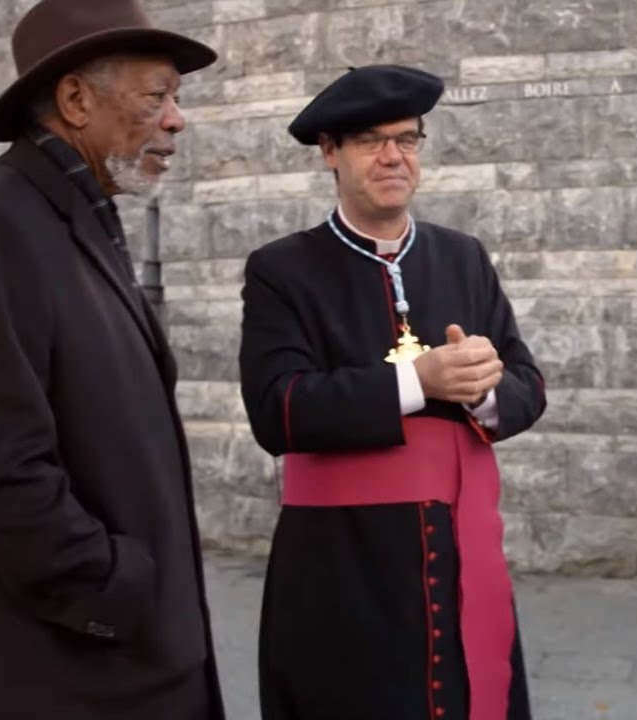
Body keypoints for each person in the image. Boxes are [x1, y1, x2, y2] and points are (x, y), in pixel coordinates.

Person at [0, 1, 225, 718]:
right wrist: (115, 586)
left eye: (175, 98)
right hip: (64, 674)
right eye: (157, 96)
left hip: (131, 660)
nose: (177, 120)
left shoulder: (80, 215)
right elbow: (1, 471)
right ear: (76, 100)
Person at [238, 64, 547, 720]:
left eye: (406, 139)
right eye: (370, 141)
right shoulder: (282, 269)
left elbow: (527, 382)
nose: (392, 156)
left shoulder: (463, 256)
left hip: (459, 550)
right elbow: (276, 409)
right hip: (339, 562)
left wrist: (480, 391)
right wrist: (418, 381)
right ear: (329, 152)